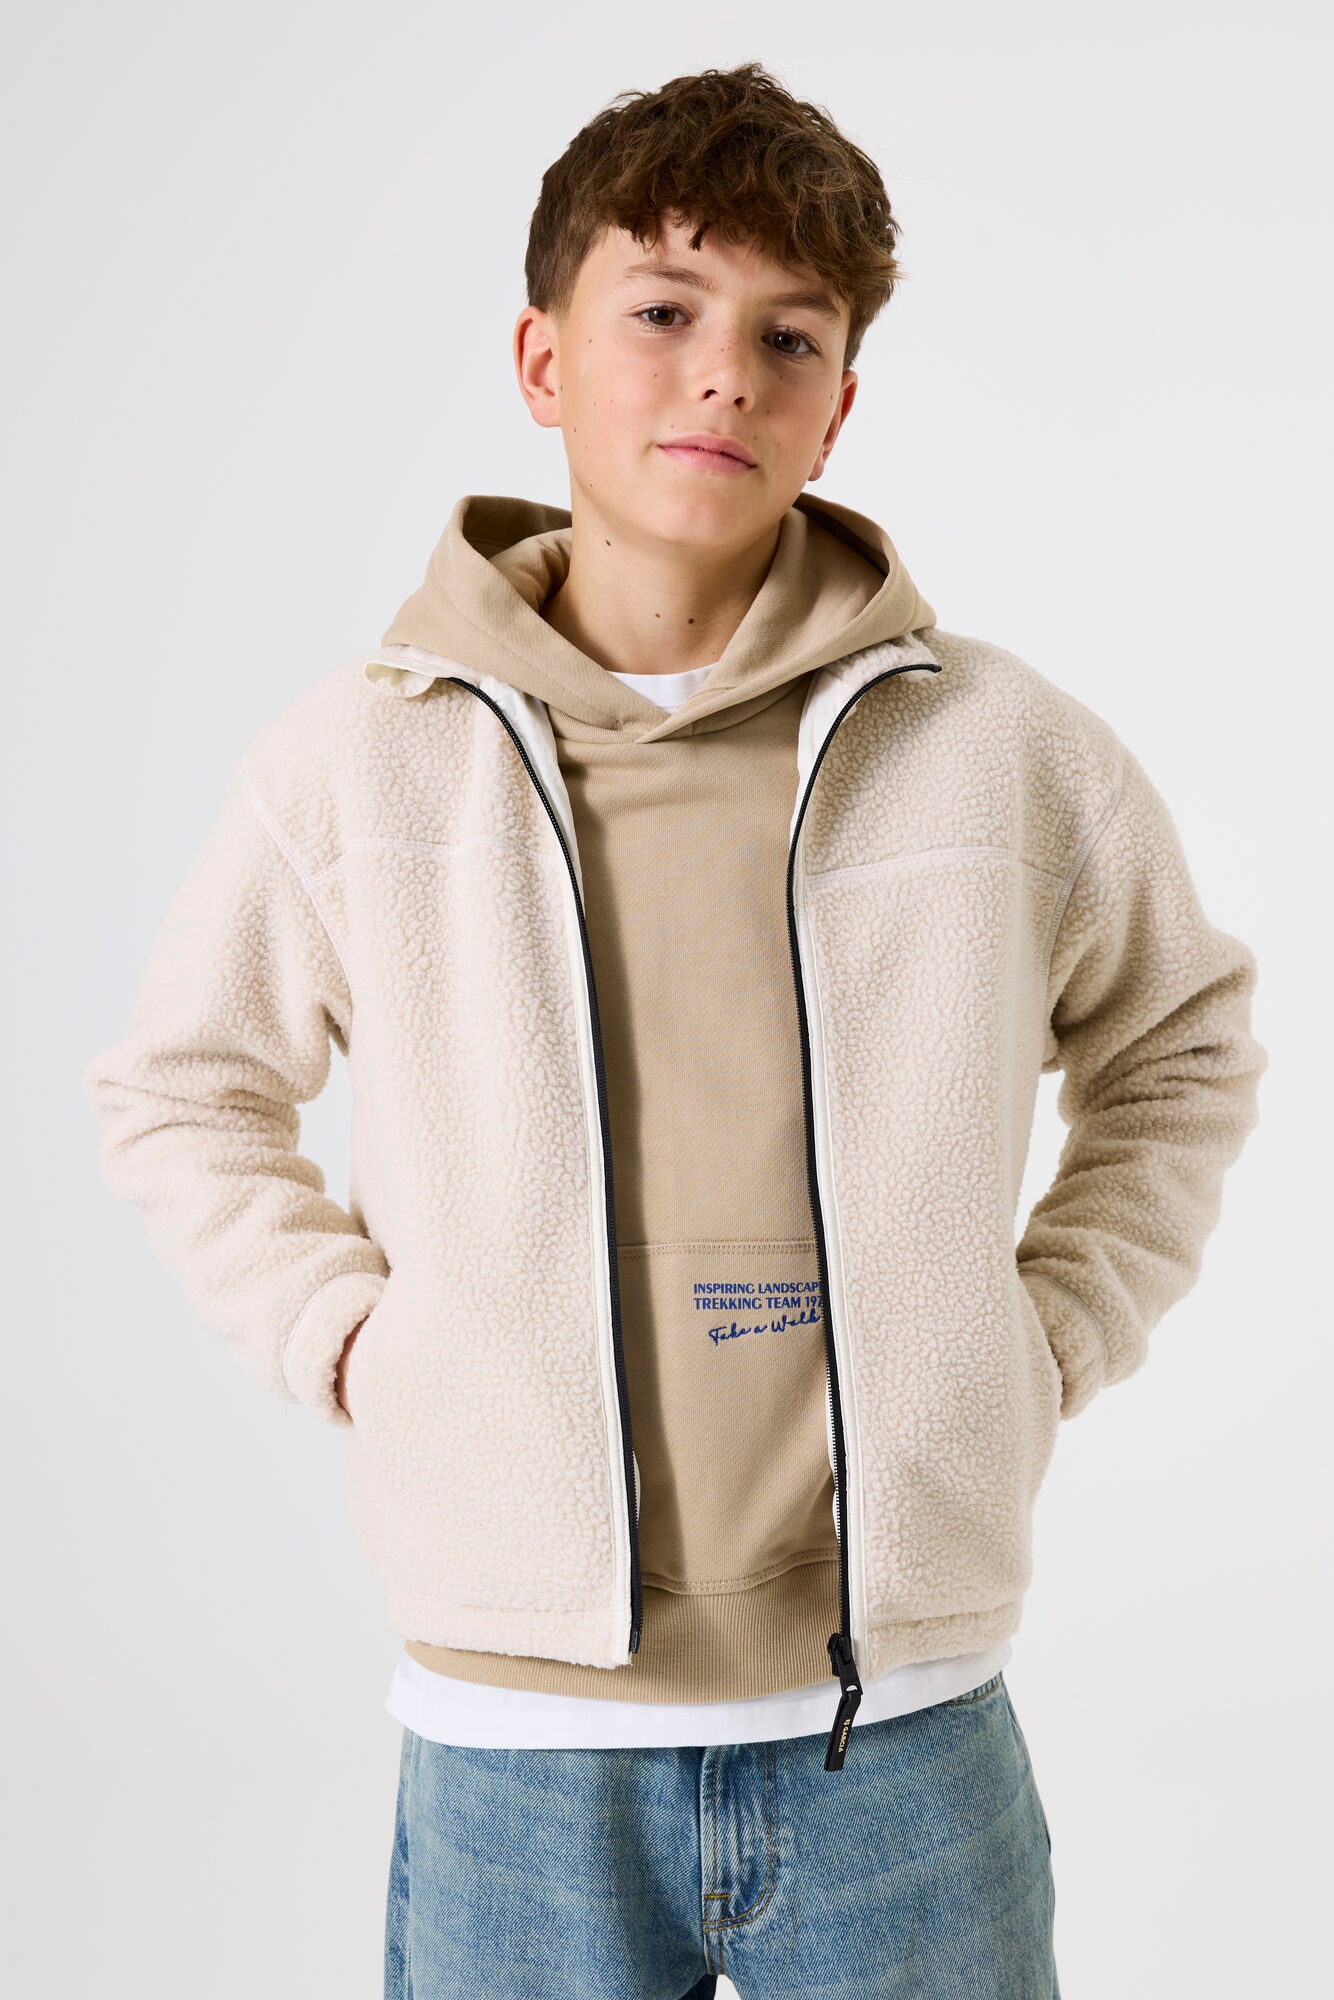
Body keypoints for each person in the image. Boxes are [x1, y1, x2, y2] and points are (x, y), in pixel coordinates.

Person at [83, 61, 1264, 2000]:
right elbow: (185, 1090)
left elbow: (1179, 1042)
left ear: (838, 403)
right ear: (542, 360)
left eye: (788, 335)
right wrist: (352, 1336)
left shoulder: (998, 745)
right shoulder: (363, 755)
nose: (724, 374)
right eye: (663, 310)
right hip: (517, 1740)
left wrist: (1049, 1327)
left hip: (899, 1726)